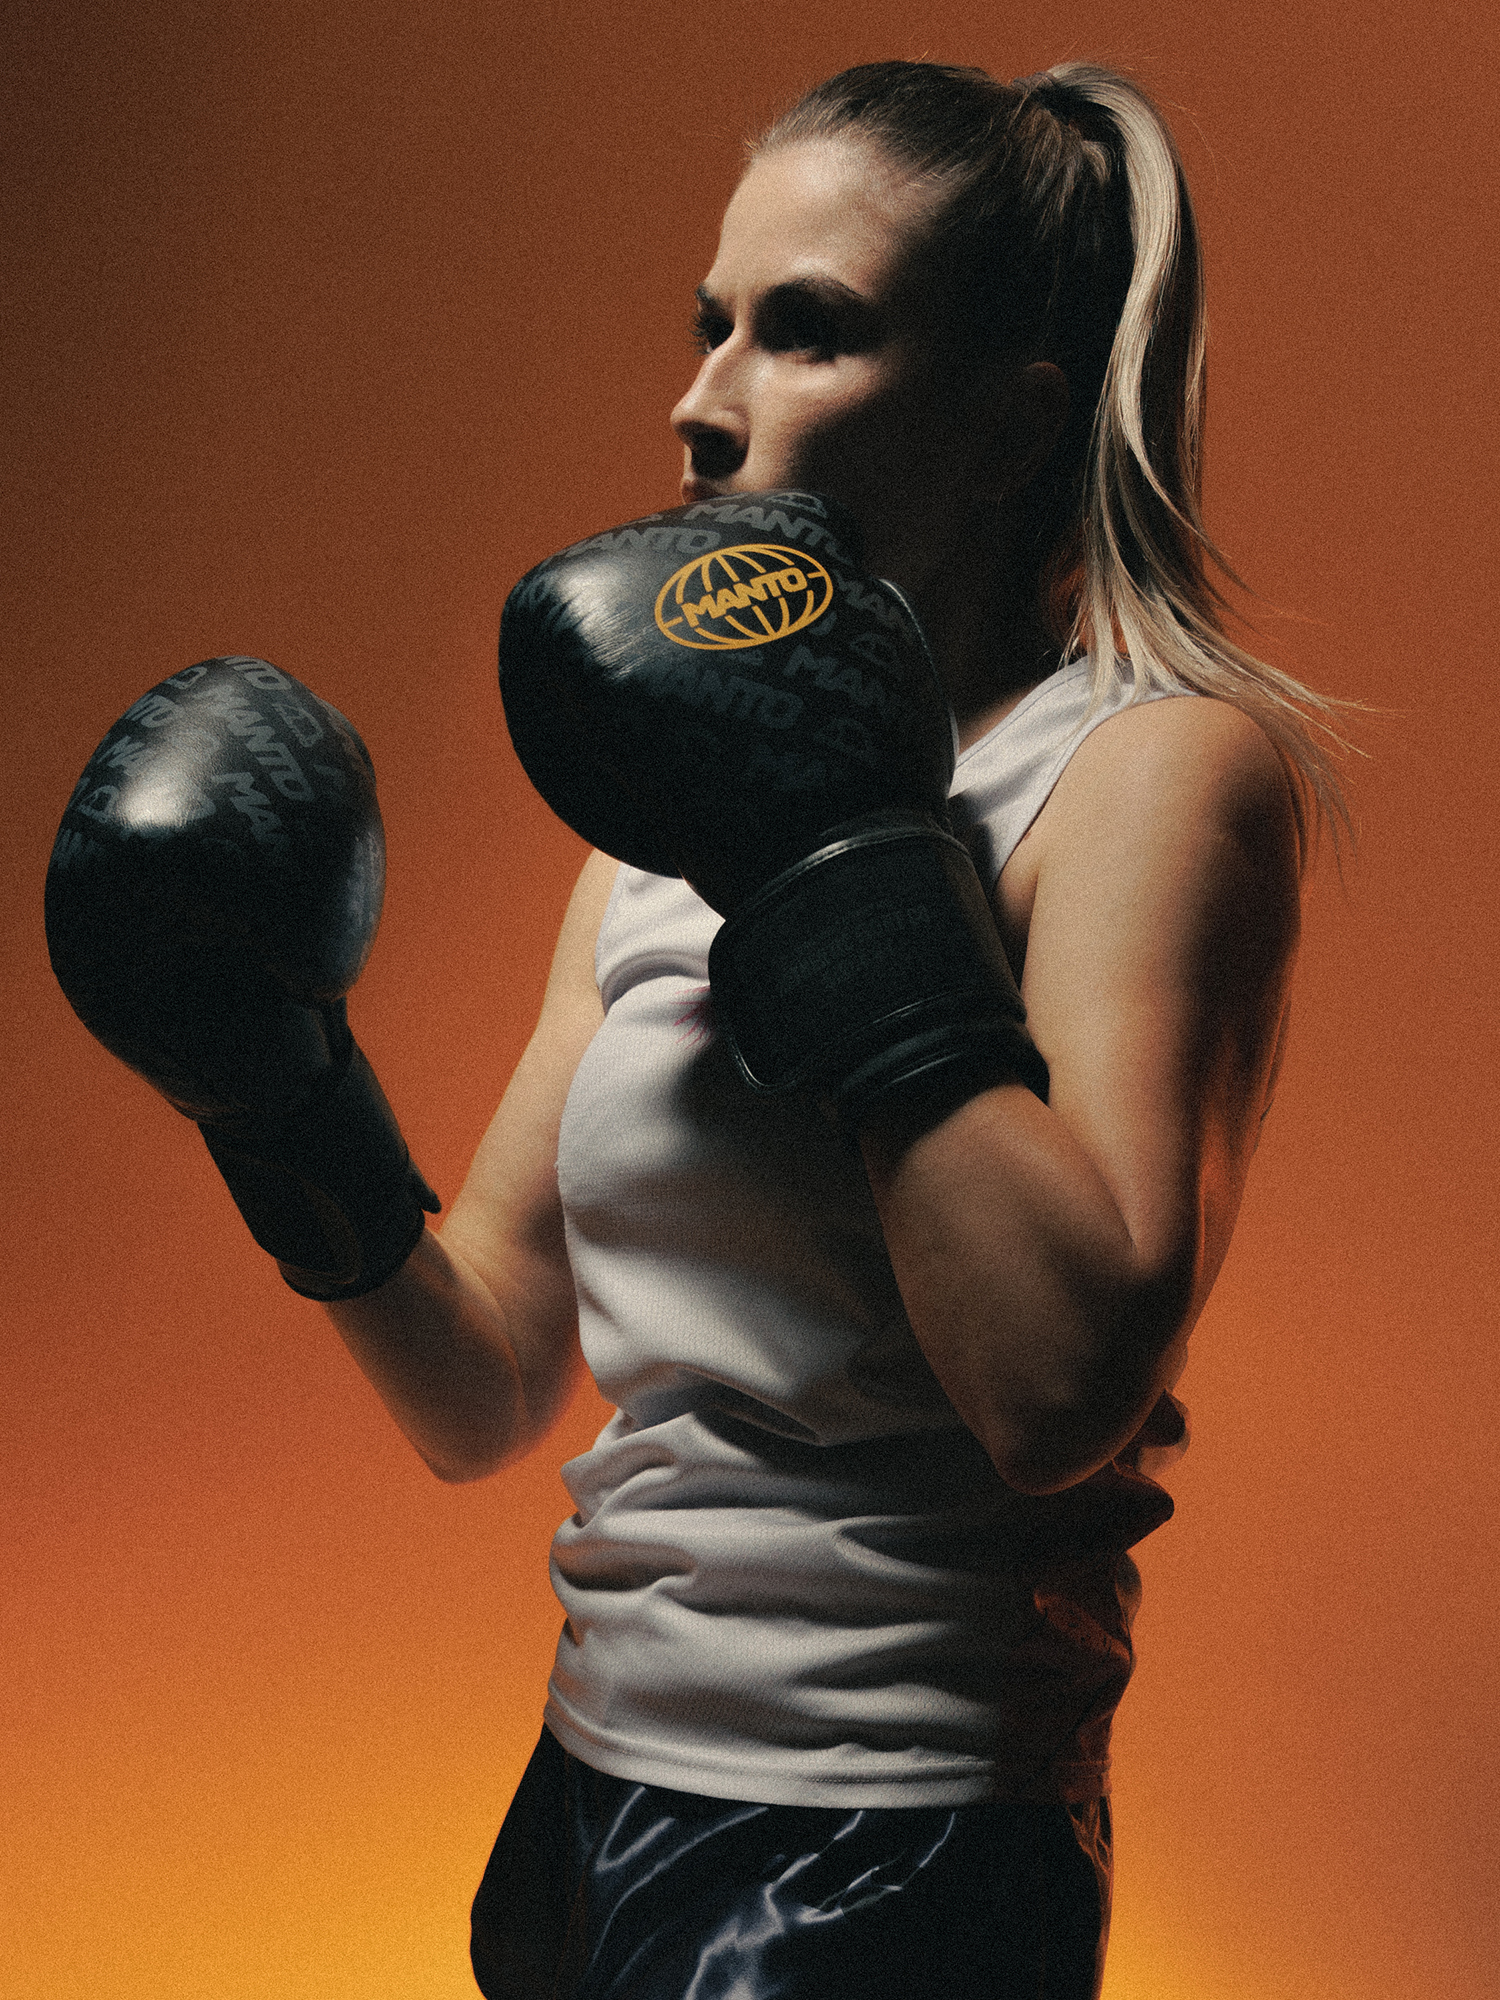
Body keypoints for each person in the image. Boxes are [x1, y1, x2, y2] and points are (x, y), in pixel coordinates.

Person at [45, 57, 1345, 2000]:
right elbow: (486, 1379)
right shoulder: (654, 828)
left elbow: (1057, 1386)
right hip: (589, 1782)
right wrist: (276, 1089)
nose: (705, 395)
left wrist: (840, 862)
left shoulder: (1147, 775)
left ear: (1014, 423)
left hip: (888, 1834)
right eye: (709, 322)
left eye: (807, 331)